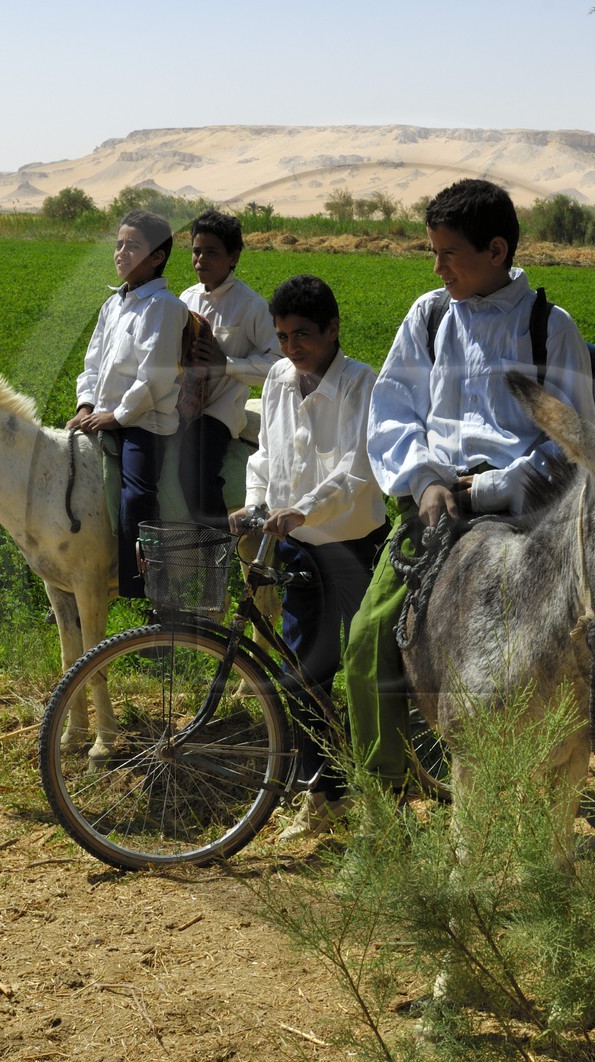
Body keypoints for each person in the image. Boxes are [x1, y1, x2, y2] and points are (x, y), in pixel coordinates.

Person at [343, 177, 595, 787]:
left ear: (496, 251)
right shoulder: (429, 316)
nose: (437, 268)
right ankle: (384, 795)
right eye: (433, 253)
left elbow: (571, 440)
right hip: (434, 506)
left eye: (449, 254)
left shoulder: (549, 327)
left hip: (526, 512)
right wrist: (426, 481)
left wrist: (492, 489)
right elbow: (393, 410)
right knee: (368, 639)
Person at [232, 274, 387, 837]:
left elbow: (357, 468)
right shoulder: (278, 379)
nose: (291, 347)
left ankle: (385, 791)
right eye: (281, 337)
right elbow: (265, 454)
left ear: (332, 329)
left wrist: (302, 508)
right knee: (300, 674)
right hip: (297, 547)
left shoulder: (360, 384)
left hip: (352, 545)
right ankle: (323, 794)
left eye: (302, 335)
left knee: (371, 671)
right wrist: (255, 502)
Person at [67, 209, 187, 602]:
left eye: (132, 246)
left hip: (144, 422)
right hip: (101, 414)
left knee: (136, 495)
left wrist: (117, 417)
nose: (121, 252)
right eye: (118, 244)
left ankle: (139, 585)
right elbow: (92, 363)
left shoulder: (164, 307)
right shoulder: (112, 305)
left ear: (157, 257)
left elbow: (154, 377)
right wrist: (85, 406)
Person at [178, 210, 280, 528]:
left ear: (233, 256)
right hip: (178, 404)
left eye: (211, 252)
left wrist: (225, 365)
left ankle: (215, 542)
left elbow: (278, 365)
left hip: (219, 411)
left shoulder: (251, 305)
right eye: (196, 251)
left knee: (195, 467)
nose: (200, 260)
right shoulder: (185, 299)